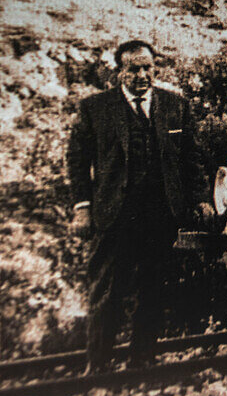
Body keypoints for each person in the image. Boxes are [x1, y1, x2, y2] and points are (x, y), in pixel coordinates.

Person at [67, 39, 213, 372]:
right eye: (134, 69)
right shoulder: (95, 108)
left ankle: (142, 360)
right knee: (107, 289)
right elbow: (77, 160)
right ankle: (99, 364)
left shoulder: (176, 106)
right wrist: (82, 207)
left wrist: (202, 199)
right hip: (115, 214)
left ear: (155, 68)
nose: (142, 75)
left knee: (153, 287)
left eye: (148, 67)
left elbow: (192, 159)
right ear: (119, 72)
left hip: (160, 214)